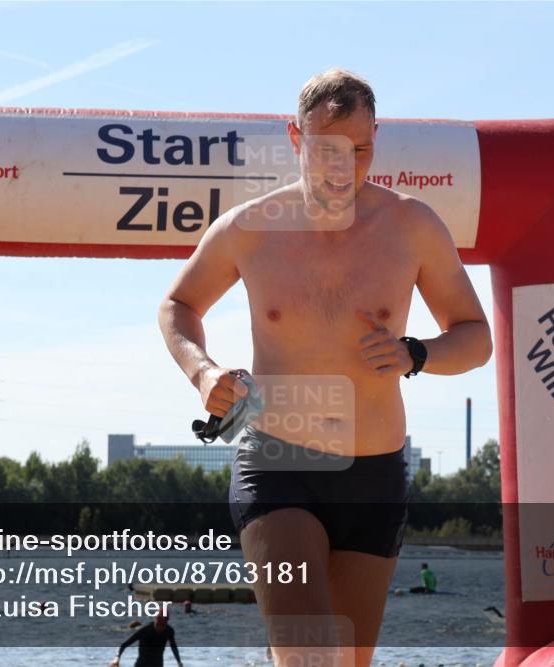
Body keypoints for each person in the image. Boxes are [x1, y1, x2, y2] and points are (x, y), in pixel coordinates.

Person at [159, 68, 491, 667]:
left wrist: (417, 354)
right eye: (327, 150)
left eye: (360, 150)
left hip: (376, 472)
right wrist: (204, 373)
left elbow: (475, 337)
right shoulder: (249, 229)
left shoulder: (412, 225)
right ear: (295, 139)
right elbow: (177, 306)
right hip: (277, 462)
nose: (344, 166)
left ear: (375, 141)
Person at [110, 610, 182, 667]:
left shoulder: (169, 631)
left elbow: (174, 647)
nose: (160, 628)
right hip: (141, 664)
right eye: (158, 624)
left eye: (163, 625)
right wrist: (117, 658)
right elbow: (124, 645)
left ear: (166, 623)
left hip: (158, 664)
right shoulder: (145, 630)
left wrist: (179, 662)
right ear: (155, 620)